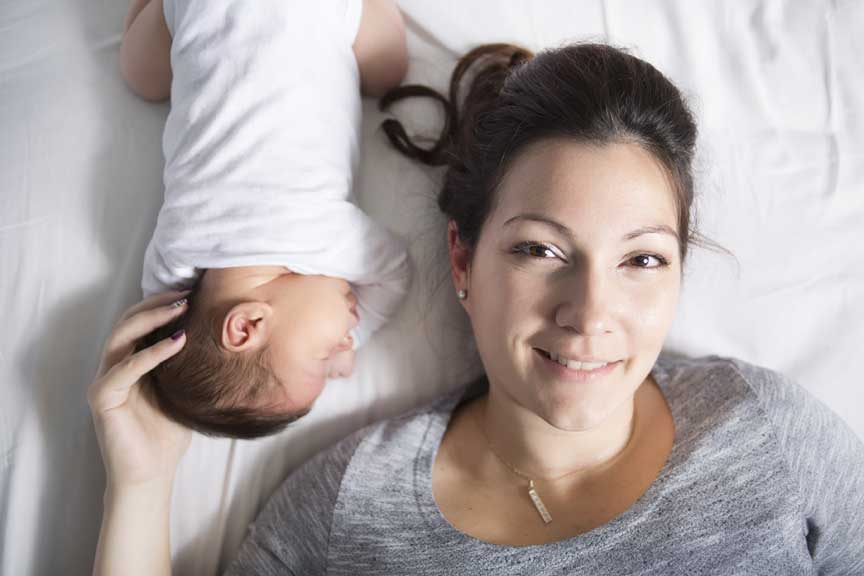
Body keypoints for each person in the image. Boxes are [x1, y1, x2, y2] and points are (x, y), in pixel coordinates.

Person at [89, 43, 864, 574]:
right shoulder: (343, 514)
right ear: (463, 260)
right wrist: (143, 483)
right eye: (541, 250)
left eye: (642, 260)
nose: (591, 313)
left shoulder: (770, 431)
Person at [120, 0, 412, 439]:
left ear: (248, 325)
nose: (340, 344)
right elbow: (156, 311)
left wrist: (358, 338)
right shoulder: (179, 248)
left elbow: (396, 272)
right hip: (203, 12)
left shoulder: (322, 235)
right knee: (139, 76)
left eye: (322, 357)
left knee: (390, 70)